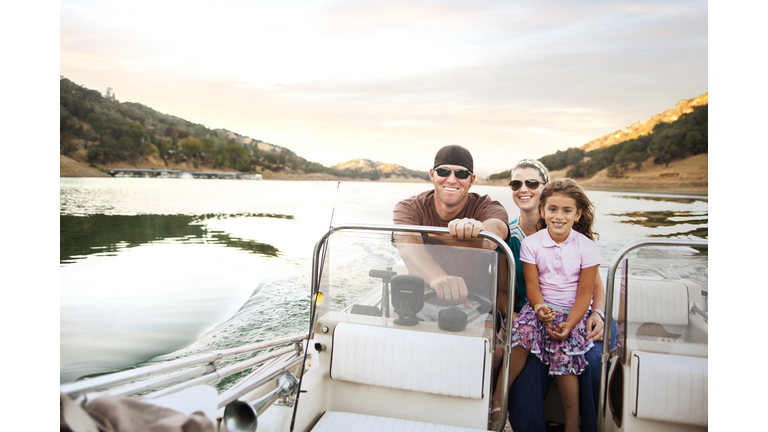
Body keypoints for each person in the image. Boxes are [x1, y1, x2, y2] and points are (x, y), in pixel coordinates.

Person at [494, 159, 614, 432]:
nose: (523, 189)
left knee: (592, 361)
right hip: (537, 315)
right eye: (516, 183)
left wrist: (597, 313)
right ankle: (507, 410)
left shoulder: (580, 240)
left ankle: (588, 425)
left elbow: (592, 289)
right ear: (546, 210)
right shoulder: (511, 238)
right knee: (525, 373)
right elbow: (505, 290)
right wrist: (521, 314)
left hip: (579, 312)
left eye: (532, 183)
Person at [392, 144, 510, 327]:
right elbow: (407, 244)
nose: (452, 179)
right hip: (421, 302)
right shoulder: (409, 208)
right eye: (444, 171)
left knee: (494, 353)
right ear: (432, 175)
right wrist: (438, 278)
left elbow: (496, 231)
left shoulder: (487, 207)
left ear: (472, 180)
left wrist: (477, 229)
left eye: (461, 174)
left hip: (475, 303)